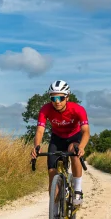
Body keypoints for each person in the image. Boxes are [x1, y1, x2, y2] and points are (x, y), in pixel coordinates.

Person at [30, 80, 90, 209]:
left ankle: (77, 190)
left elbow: (85, 131)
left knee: (73, 152)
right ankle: (55, 209)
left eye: (61, 98)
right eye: (54, 98)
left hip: (74, 137)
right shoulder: (45, 109)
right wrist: (36, 146)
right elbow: (40, 130)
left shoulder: (78, 109)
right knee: (52, 172)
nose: (57, 101)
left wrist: (81, 147)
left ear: (67, 97)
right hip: (57, 139)